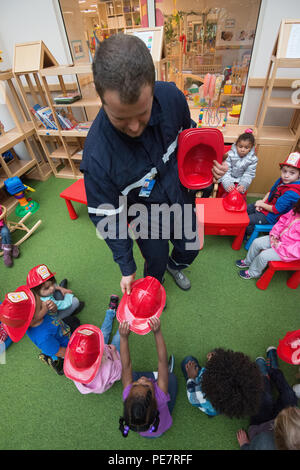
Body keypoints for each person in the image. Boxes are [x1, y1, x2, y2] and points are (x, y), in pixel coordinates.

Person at [80, 33, 228, 294]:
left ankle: (176, 265)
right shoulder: (96, 158)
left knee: (191, 247)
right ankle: (156, 284)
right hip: (145, 217)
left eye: (142, 112)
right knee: (155, 262)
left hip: (181, 198)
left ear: (152, 85)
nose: (135, 127)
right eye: (121, 118)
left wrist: (209, 168)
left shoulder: (172, 97)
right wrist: (126, 266)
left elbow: (190, 142)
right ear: (101, 98)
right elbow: (107, 217)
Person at [0, 285, 79, 375]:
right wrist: (74, 354)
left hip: (61, 330)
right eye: (41, 306)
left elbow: (54, 315)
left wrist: (53, 308)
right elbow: (60, 351)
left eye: (41, 300)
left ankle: (48, 354)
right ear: (31, 319)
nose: (44, 303)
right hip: (61, 347)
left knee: (74, 321)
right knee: (68, 360)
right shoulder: (43, 338)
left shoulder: (41, 312)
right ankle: (55, 362)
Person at [118, 317, 176, 438]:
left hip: (147, 429)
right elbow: (162, 362)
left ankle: (156, 378)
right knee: (171, 378)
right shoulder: (160, 396)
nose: (142, 379)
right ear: (154, 399)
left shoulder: (128, 395)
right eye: (145, 385)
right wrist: (157, 332)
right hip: (161, 424)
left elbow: (126, 366)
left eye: (136, 384)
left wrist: (123, 338)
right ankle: (159, 377)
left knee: (129, 375)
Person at [236, 347, 299, 450]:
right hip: (285, 422)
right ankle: (274, 371)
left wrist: (245, 445)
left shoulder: (265, 442)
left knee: (264, 398)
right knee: (289, 395)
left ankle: (263, 377)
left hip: (260, 425)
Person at [181, 348, 263, 418]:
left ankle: (210, 413)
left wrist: (191, 377)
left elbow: (191, 395)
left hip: (209, 404)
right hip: (219, 406)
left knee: (188, 361)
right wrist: (215, 359)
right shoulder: (242, 399)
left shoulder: (199, 392)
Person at [64, 295, 122, 394]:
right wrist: (113, 353)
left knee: (103, 332)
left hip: (99, 354)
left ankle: (111, 311)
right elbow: (119, 371)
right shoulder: (108, 369)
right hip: (110, 357)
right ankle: (124, 322)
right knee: (118, 338)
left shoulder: (76, 368)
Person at [236, 198, 300, 279]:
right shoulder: (295, 211)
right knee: (257, 242)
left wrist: (280, 246)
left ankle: (253, 273)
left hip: (288, 251)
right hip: (278, 239)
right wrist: (275, 234)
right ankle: (247, 262)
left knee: (264, 256)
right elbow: (282, 221)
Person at [245, 152, 300, 237]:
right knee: (246, 209)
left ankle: (246, 233)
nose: (286, 175)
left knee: (246, 220)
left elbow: (276, 210)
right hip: (266, 207)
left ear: (299, 175)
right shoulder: (282, 180)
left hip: (271, 217)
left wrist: (262, 205)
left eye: (292, 173)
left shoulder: (293, 192)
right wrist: (262, 202)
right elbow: (270, 192)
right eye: (284, 171)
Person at [218, 129, 257, 199]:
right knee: (226, 194)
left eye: (246, 147)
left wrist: (243, 185)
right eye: (240, 146)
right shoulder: (230, 155)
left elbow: (249, 174)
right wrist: (228, 184)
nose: (242, 150)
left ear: (251, 148)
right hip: (228, 178)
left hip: (241, 180)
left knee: (239, 197)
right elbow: (225, 171)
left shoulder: (253, 159)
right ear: (236, 145)